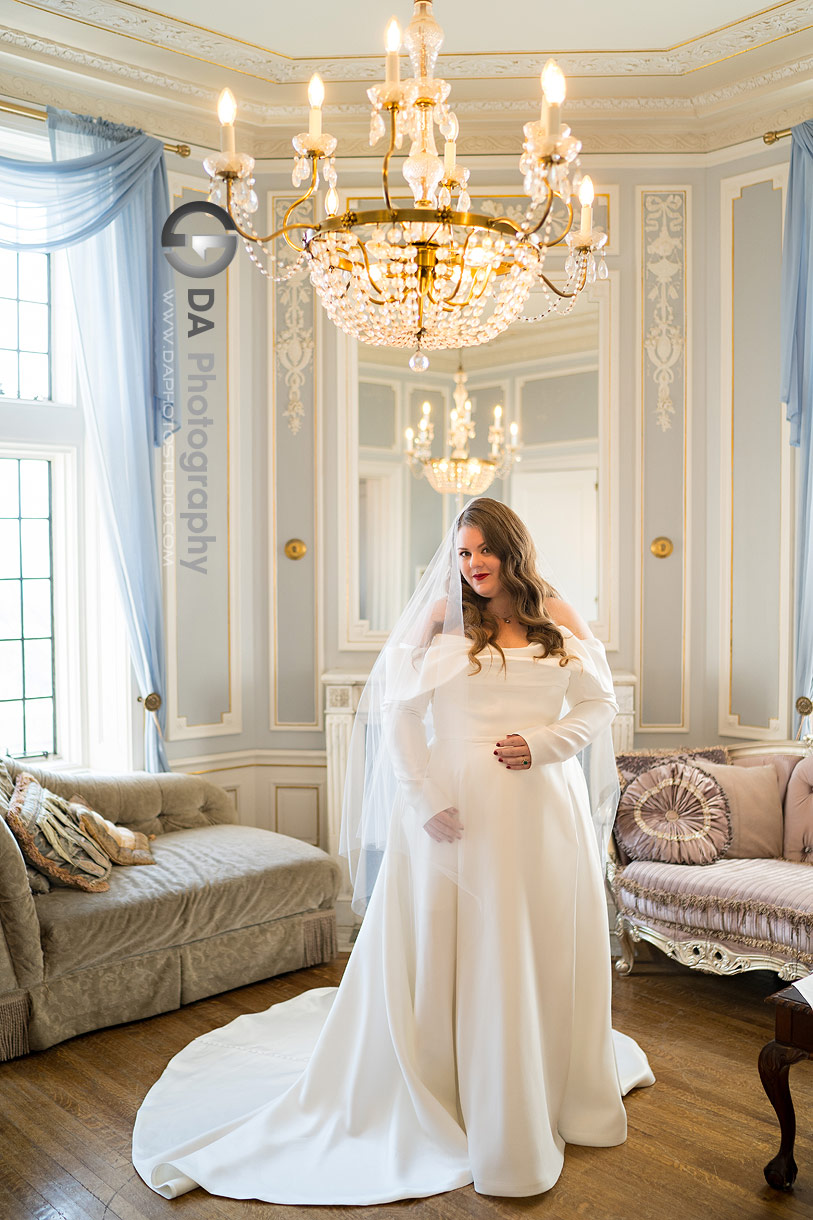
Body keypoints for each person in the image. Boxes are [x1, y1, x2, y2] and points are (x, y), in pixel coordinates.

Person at [132, 497, 654, 1204]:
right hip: (450, 807)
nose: (470, 566)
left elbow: (598, 706)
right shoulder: (443, 616)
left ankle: (542, 1081)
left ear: (512, 550)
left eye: (482, 552)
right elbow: (398, 711)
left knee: (533, 941)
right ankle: (452, 1082)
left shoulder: (557, 615)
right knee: (456, 945)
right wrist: (421, 799)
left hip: (540, 807)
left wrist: (544, 743)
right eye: (461, 554)